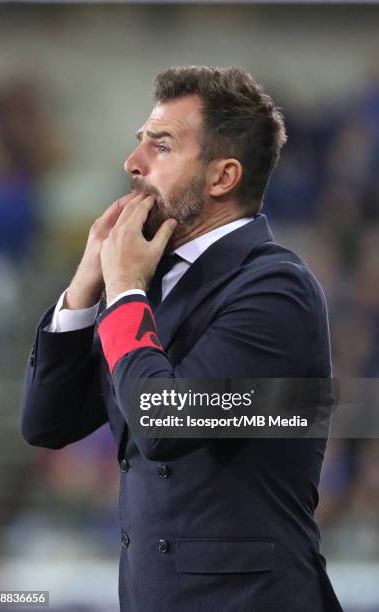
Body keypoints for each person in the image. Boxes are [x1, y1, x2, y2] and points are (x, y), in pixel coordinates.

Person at [21, 66, 343, 612]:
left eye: (161, 146)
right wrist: (86, 284)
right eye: (139, 142)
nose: (133, 163)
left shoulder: (274, 287)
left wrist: (123, 289)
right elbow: (47, 424)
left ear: (222, 178)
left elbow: (165, 424)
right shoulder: (153, 283)